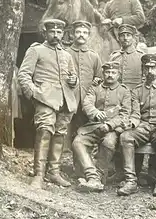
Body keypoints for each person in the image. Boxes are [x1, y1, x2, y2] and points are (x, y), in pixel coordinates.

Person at [17, 18, 78, 188]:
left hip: (65, 101)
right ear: (45, 32)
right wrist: (34, 94)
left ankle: (54, 173)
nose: (56, 35)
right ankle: (38, 174)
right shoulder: (36, 50)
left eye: (59, 32)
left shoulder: (66, 54)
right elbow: (23, 75)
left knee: (59, 135)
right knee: (44, 131)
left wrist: (74, 81)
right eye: (53, 31)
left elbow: (72, 78)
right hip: (45, 99)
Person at [118, 54, 156, 196]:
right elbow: (136, 113)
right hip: (142, 126)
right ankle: (131, 180)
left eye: (153, 67)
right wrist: (132, 123)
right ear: (143, 69)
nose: (150, 71)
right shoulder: (137, 90)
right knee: (126, 137)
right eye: (147, 68)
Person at [72, 61, 131, 192]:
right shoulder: (95, 88)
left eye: (113, 73)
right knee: (78, 142)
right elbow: (87, 104)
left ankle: (99, 176)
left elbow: (125, 114)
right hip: (94, 126)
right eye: (107, 72)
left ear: (118, 75)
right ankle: (92, 176)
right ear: (103, 73)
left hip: (113, 129)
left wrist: (110, 124)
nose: (110, 75)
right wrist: (95, 113)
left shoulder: (124, 91)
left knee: (108, 143)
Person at [64, 20, 103, 172]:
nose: (81, 35)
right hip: (68, 100)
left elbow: (99, 78)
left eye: (85, 32)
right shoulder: (66, 53)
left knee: (83, 134)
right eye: (78, 32)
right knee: (64, 132)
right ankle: (58, 166)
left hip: (87, 103)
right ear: (73, 34)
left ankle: (81, 167)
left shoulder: (94, 56)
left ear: (88, 36)